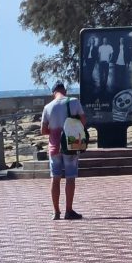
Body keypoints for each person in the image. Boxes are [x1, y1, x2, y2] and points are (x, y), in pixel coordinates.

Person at [40, 81, 86, 220]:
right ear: (64, 90)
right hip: (70, 145)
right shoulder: (74, 102)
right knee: (70, 178)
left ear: (53, 92)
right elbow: (83, 121)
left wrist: (55, 132)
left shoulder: (48, 107)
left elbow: (43, 130)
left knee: (55, 178)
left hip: (54, 147)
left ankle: (56, 212)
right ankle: (69, 210)